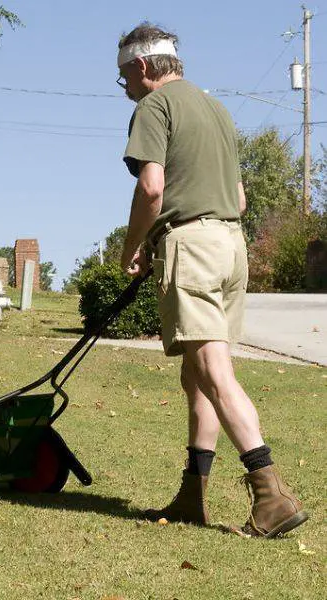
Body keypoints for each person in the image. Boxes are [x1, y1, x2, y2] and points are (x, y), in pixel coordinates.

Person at [116, 23, 308, 537]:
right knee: (197, 375)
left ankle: (271, 494)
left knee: (215, 375)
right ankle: (191, 495)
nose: (126, 90)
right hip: (230, 245)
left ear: (140, 67)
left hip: (194, 247)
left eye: (123, 79)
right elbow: (241, 198)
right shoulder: (215, 109)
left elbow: (152, 188)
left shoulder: (154, 108)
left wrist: (134, 246)